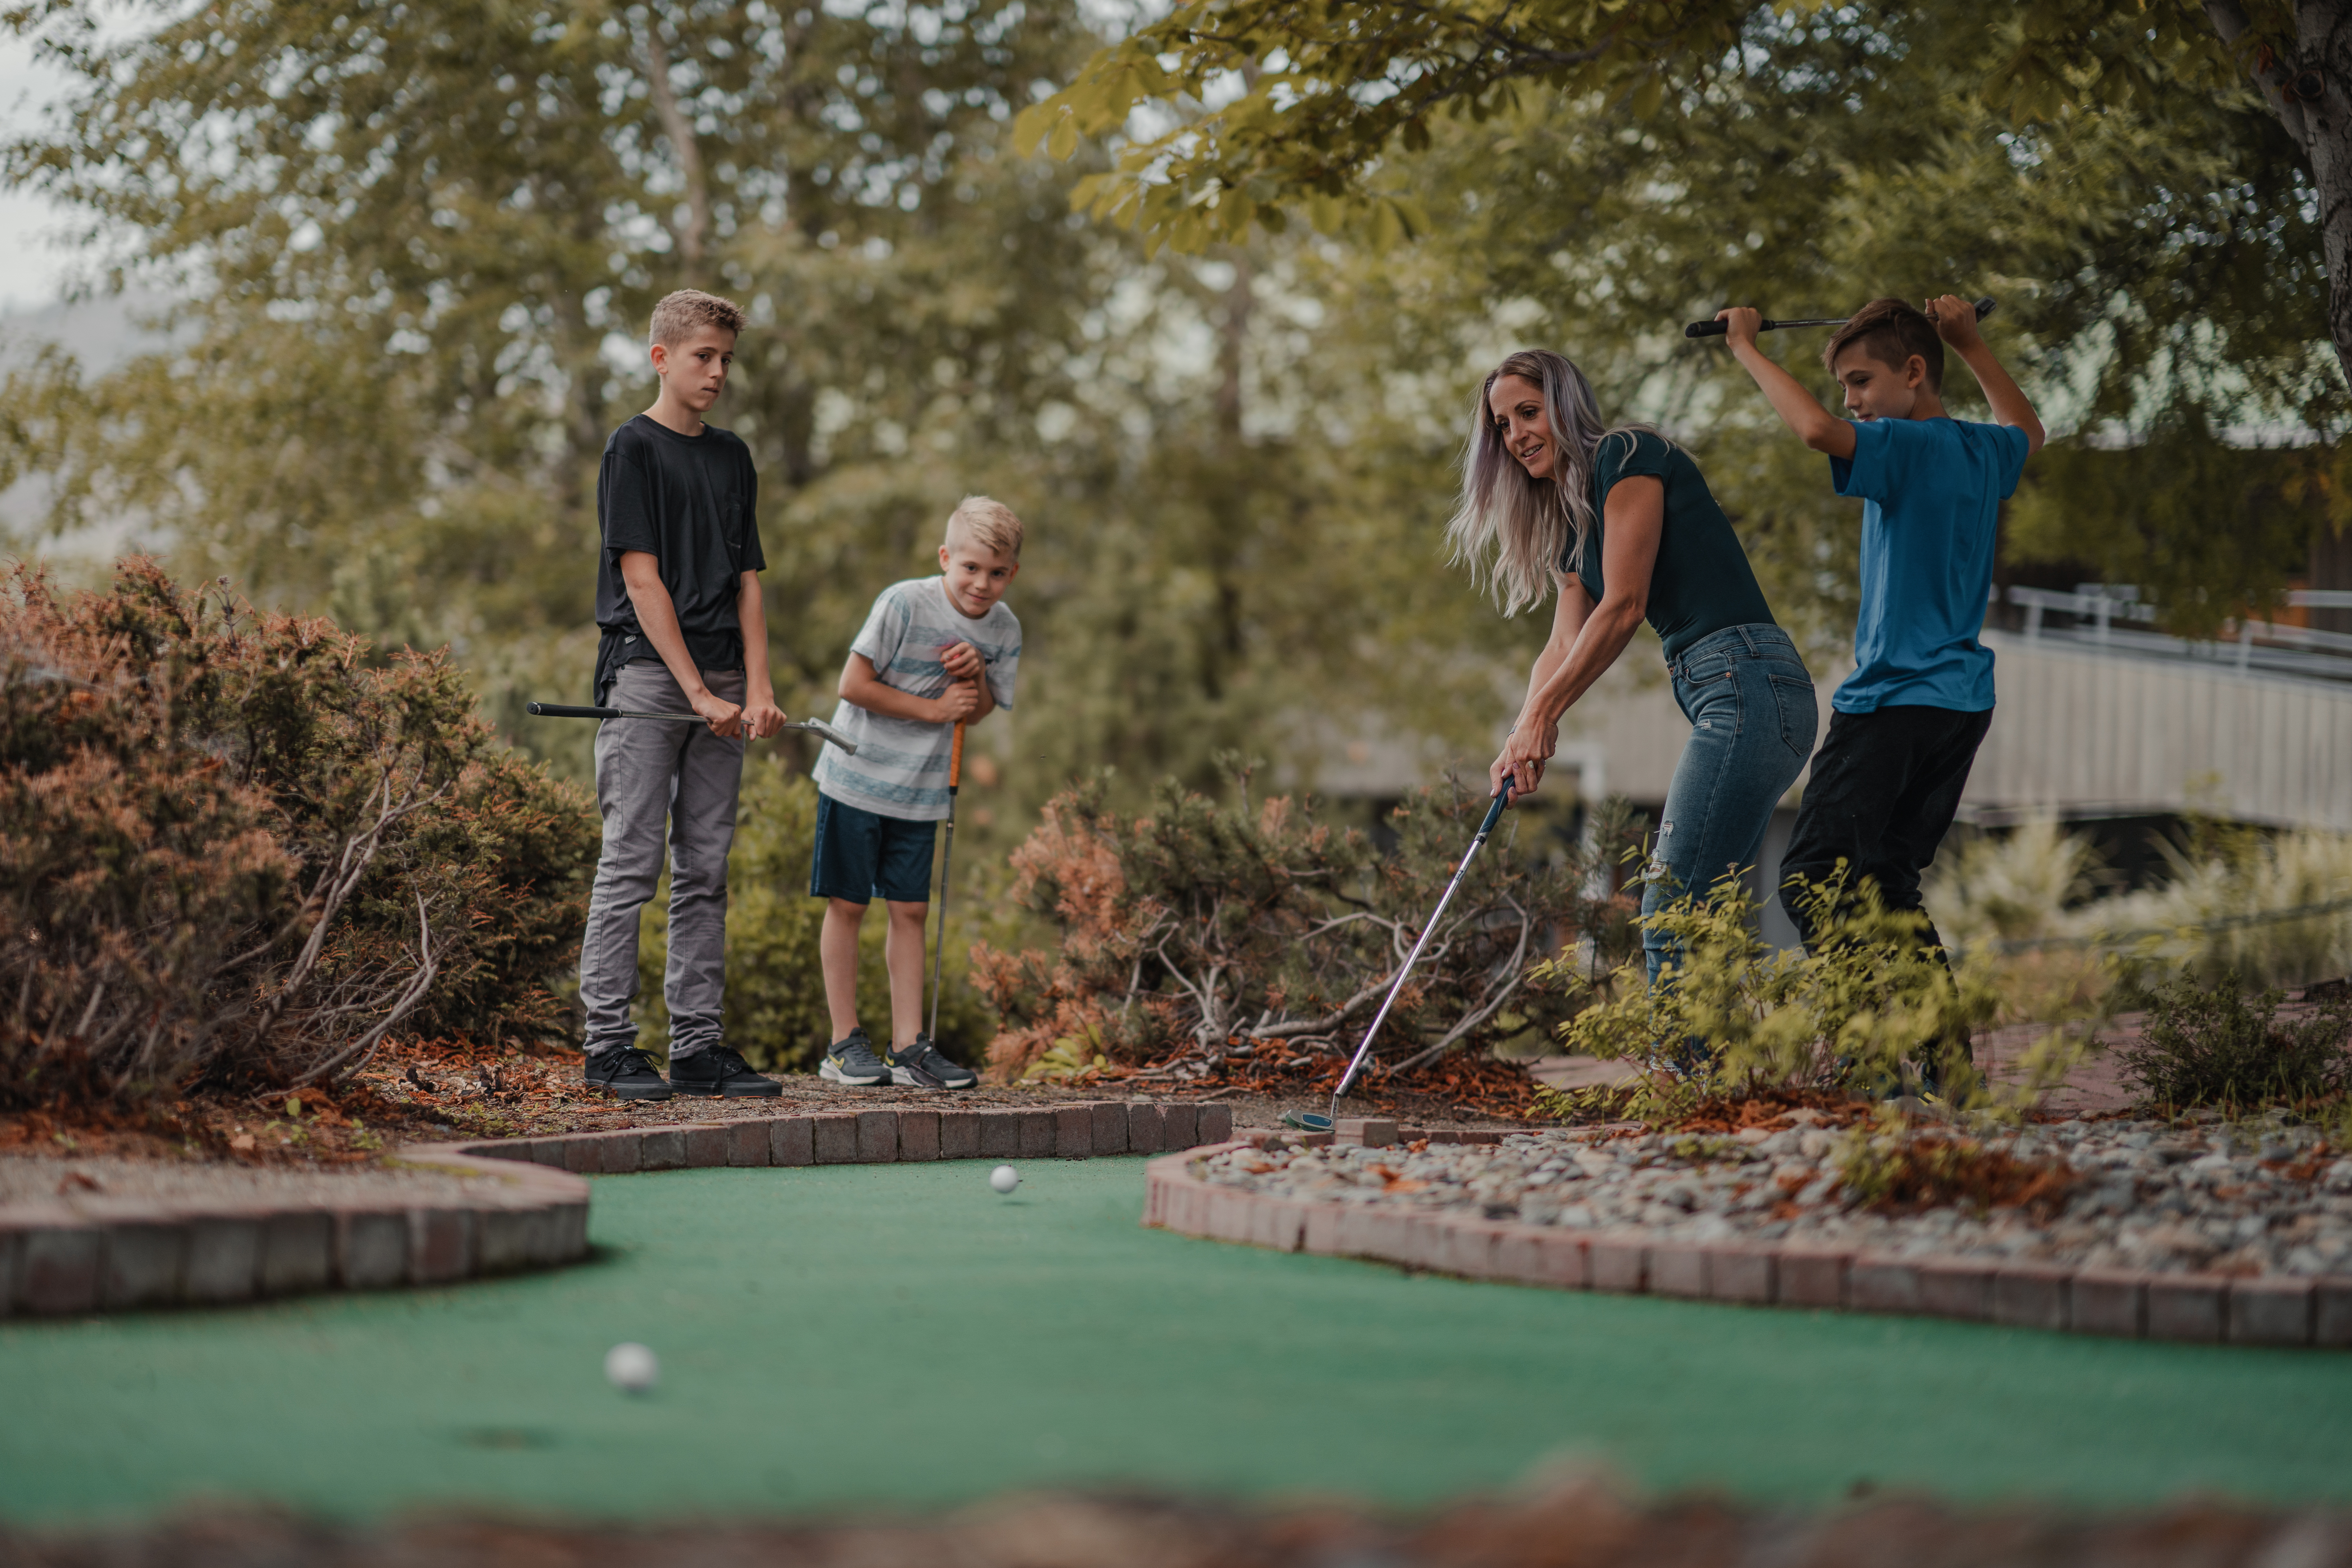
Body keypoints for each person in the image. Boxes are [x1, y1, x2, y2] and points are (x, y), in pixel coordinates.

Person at [1720, 294, 2044, 1085]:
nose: (1851, 403)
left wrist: (1745, 348)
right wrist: (1970, 342)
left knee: (1808, 879)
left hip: (1892, 703)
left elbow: (1813, 433)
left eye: (1860, 381)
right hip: (1961, 706)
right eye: (1843, 388)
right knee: (1890, 880)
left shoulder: (1903, 444)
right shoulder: (1977, 451)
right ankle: (1945, 1066)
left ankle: (1870, 1056)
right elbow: (2028, 432)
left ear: (1911, 373)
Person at [1462, 350, 1818, 990]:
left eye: (1527, 412)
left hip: (1749, 680)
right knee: (1700, 909)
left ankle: (1687, 1082)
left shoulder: (1626, 455)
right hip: (1723, 689)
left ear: (1564, 406)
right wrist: (1521, 734)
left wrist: (1545, 715)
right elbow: (1561, 646)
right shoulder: (1574, 530)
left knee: (1671, 904)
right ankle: (1726, 1078)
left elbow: (1623, 606)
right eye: (1501, 425)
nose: (1515, 436)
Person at [575, 289, 790, 1103]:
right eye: (704, 356)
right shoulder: (631, 449)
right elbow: (641, 577)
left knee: (706, 868)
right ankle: (608, 1046)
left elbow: (749, 585)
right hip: (649, 678)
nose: (719, 372)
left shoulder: (733, 457)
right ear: (662, 357)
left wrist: (757, 686)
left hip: (726, 686)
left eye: (727, 359)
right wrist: (695, 689)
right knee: (631, 860)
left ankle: (699, 1048)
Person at [809, 497, 1024, 1090]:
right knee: (848, 904)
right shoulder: (904, 601)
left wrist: (974, 676)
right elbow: (852, 685)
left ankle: (908, 1049)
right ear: (945, 557)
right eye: (971, 568)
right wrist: (932, 710)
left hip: (922, 791)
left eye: (997, 572)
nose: (982, 584)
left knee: (910, 910)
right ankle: (842, 1045)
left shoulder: (1005, 630)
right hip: (856, 777)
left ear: (1012, 573)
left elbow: (975, 713)